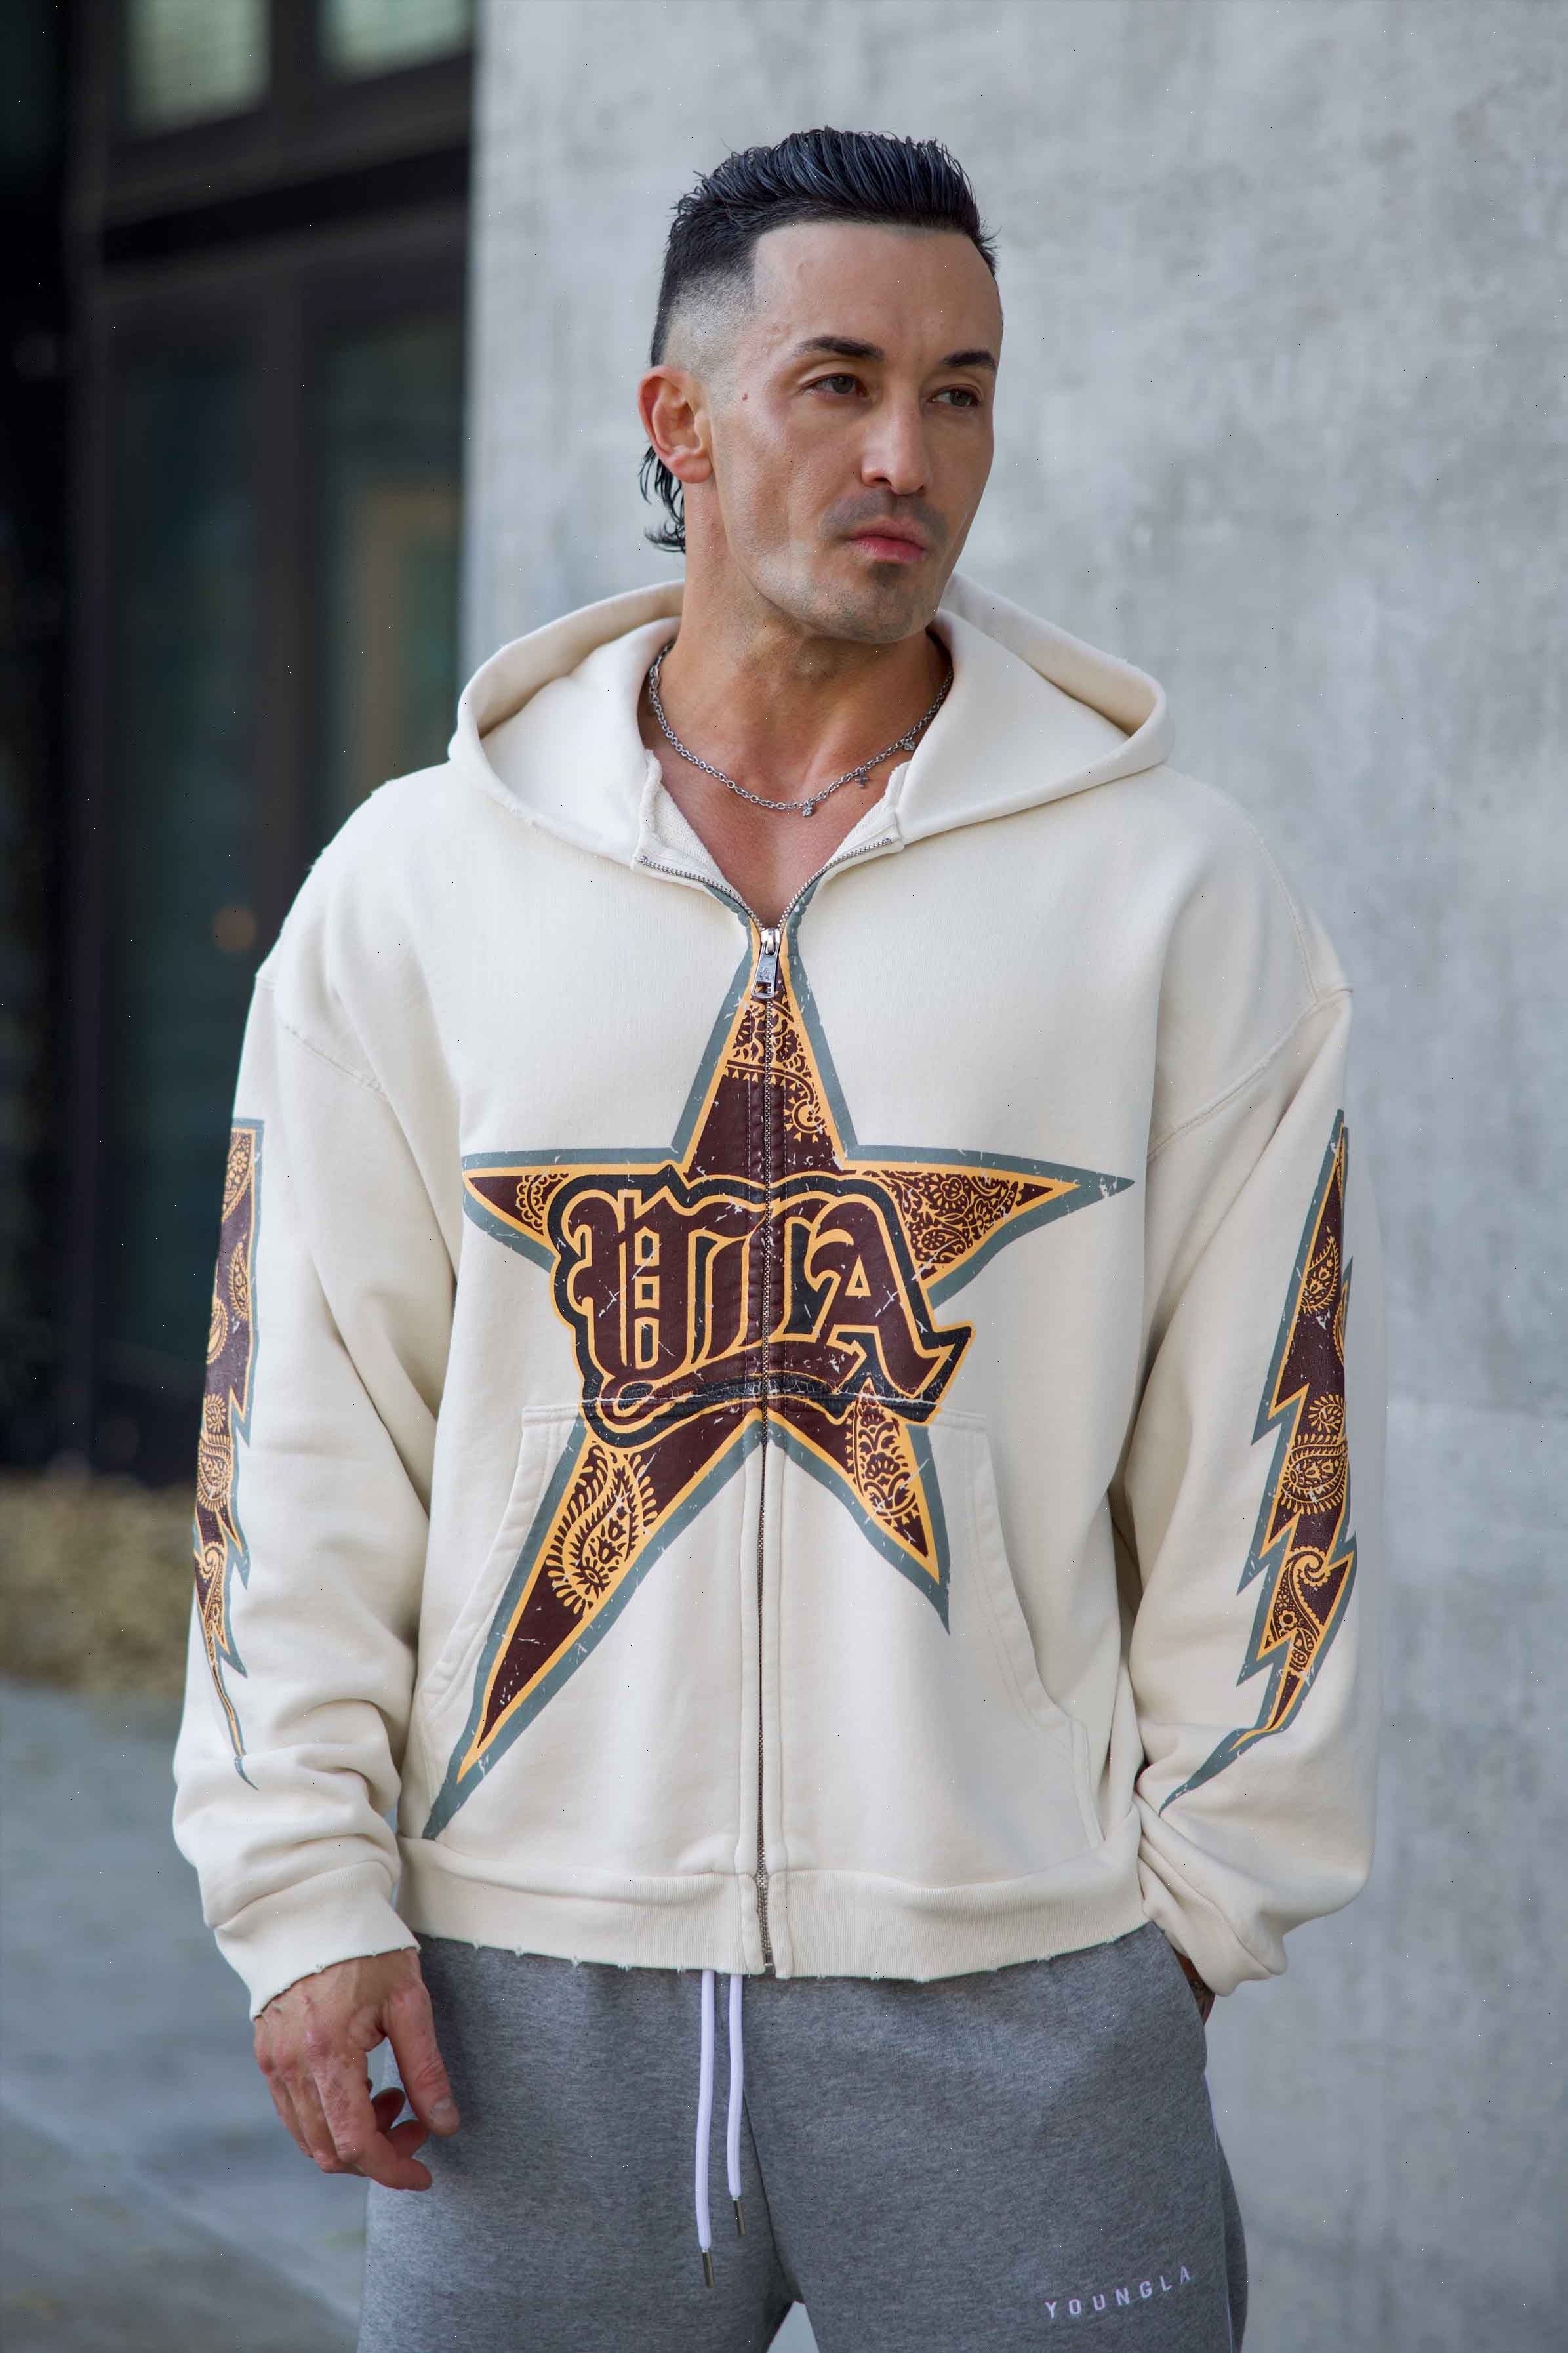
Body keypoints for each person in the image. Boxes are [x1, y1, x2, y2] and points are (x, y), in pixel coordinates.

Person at [174, 127, 1384, 2352]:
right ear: (682, 421)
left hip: (1026, 1992)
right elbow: (302, 1430)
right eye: (838, 383)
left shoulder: (1175, 898)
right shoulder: (416, 891)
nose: (907, 455)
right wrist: (306, 1894)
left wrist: (1193, 1915)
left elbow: (1269, 1442)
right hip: (517, 1999)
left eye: (960, 391)